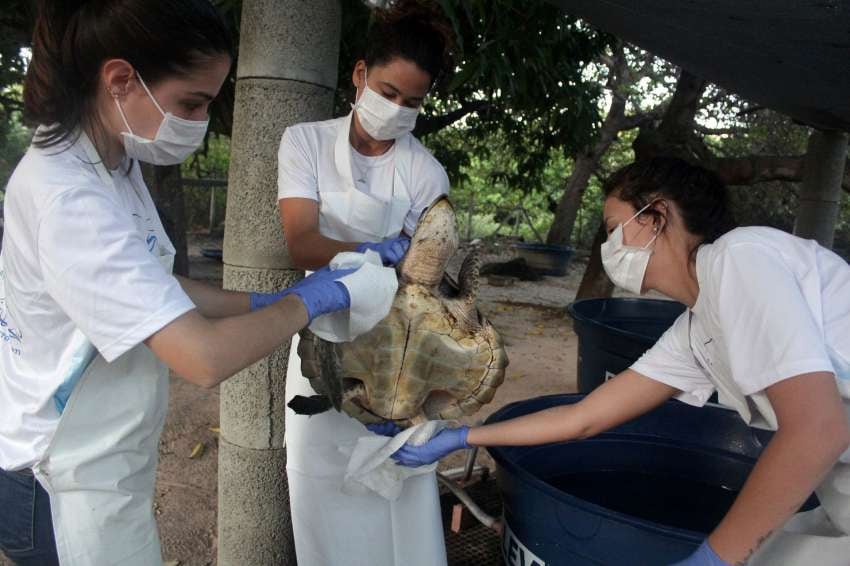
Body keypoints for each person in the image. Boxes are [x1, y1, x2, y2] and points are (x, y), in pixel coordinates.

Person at [0, 2, 380, 565]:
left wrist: (257, 302)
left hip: (99, 456)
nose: (199, 122)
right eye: (191, 102)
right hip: (56, 474)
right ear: (121, 80)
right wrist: (304, 302)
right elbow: (200, 359)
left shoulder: (113, 162)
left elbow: (153, 283)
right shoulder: (68, 199)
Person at [389, 157, 850, 566]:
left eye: (613, 228)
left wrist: (714, 558)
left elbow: (817, 429)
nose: (609, 248)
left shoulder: (740, 256)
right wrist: (463, 436)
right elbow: (583, 418)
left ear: (656, 216)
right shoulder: (696, 330)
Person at [276, 1, 454, 564]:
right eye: (387, 91)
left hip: (399, 344)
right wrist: (374, 252)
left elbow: (427, 282)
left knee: (400, 487)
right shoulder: (304, 142)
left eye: (412, 102)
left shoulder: (425, 172)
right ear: (359, 76)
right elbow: (301, 241)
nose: (396, 109)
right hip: (319, 336)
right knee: (319, 479)